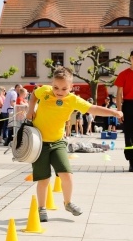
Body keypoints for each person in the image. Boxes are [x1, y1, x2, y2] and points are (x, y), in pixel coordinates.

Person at [26, 66, 123, 222]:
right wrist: (30, 109)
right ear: (52, 83)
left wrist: (113, 112)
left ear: (71, 87)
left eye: (64, 88)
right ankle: (41, 208)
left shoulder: (73, 100)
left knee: (67, 175)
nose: (59, 91)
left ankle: (68, 202)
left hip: (58, 142)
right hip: (40, 143)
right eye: (56, 87)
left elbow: (93, 108)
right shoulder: (44, 91)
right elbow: (33, 95)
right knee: (43, 179)